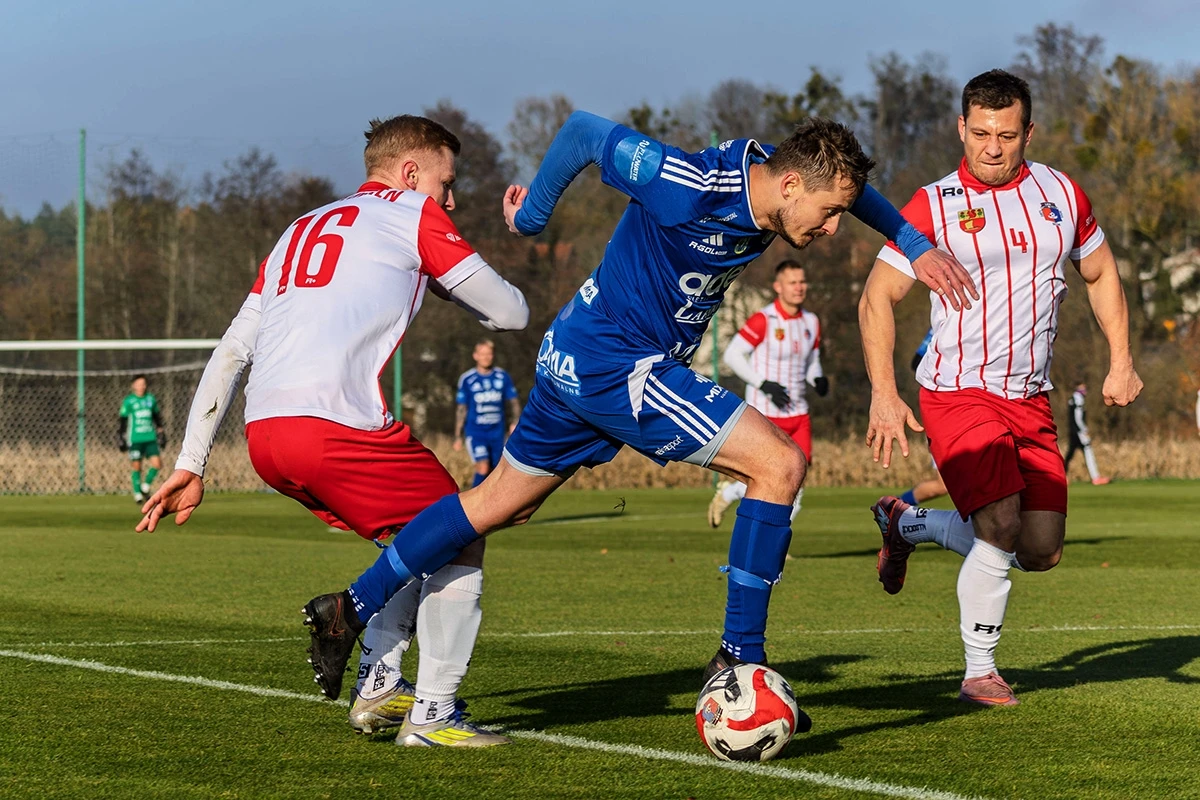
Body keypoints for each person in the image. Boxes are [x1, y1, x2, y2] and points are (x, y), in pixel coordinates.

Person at [291, 109, 979, 715]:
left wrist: (915, 244)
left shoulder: (782, 180)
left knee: (495, 504)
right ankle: (740, 659)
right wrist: (532, 217)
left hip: (577, 354)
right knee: (780, 464)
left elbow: (855, 194)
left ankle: (347, 609)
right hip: (616, 362)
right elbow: (584, 132)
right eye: (827, 214)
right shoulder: (689, 183)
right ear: (792, 185)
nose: (831, 228)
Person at [137, 114, 529, 747]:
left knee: (416, 537)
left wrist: (192, 461)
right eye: (447, 182)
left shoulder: (298, 228)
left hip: (266, 437)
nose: (451, 200)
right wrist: (465, 262)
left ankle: (381, 686)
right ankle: (433, 715)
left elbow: (232, 351)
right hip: (334, 430)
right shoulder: (414, 215)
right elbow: (511, 312)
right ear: (410, 173)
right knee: (463, 531)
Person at [859, 70, 1143, 707]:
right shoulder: (931, 206)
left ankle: (907, 523)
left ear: (1028, 133)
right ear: (961, 128)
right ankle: (979, 671)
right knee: (1001, 522)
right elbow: (878, 297)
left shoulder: (1062, 195)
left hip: (1030, 396)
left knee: (1039, 550)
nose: (992, 147)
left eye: (1007, 136)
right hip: (957, 390)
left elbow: (1100, 273)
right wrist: (883, 391)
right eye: (981, 133)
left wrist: (1121, 360)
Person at [708, 260, 828, 526]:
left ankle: (769, 533)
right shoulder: (764, 320)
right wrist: (763, 384)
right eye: (792, 283)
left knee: (796, 479)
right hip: (765, 413)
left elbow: (812, 361)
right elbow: (733, 355)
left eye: (802, 282)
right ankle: (734, 497)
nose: (799, 287)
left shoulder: (811, 321)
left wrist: (817, 378)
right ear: (778, 287)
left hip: (799, 413)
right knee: (769, 478)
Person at [453, 339, 521, 486]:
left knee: (497, 471)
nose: (486, 357)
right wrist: (458, 436)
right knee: (483, 467)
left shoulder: (502, 376)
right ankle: (474, 499)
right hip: (476, 432)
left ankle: (494, 500)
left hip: (497, 432)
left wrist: (515, 422)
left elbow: (513, 402)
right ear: (475, 356)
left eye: (489, 354)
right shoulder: (467, 379)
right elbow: (461, 409)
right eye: (482, 354)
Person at [899, 330, 948, 506]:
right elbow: (917, 361)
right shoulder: (945, 321)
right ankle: (894, 507)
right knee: (943, 485)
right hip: (947, 410)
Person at [117, 375, 166, 503]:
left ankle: (145, 486)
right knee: (136, 467)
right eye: (138, 384)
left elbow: (156, 417)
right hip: (135, 439)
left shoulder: (150, 399)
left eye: (143, 384)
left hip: (150, 437)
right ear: (133, 385)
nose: (141, 386)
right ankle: (137, 493)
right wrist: (121, 436)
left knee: (157, 464)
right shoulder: (129, 401)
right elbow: (123, 420)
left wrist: (161, 432)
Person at [1063, 382, 1109, 484]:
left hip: (1073, 431)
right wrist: (1084, 430)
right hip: (1078, 433)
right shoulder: (1078, 399)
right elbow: (1078, 417)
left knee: (1070, 454)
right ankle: (1096, 478)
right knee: (1087, 452)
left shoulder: (1072, 399)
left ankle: (1062, 476)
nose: (1085, 391)